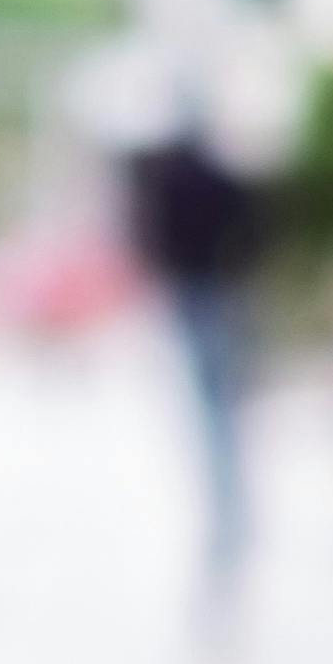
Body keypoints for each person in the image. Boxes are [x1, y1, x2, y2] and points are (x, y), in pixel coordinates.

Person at [122, 115, 267, 574]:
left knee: (209, 395)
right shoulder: (222, 182)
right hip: (221, 292)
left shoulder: (169, 184)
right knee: (221, 394)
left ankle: (224, 482)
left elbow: (149, 236)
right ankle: (228, 484)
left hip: (195, 293)